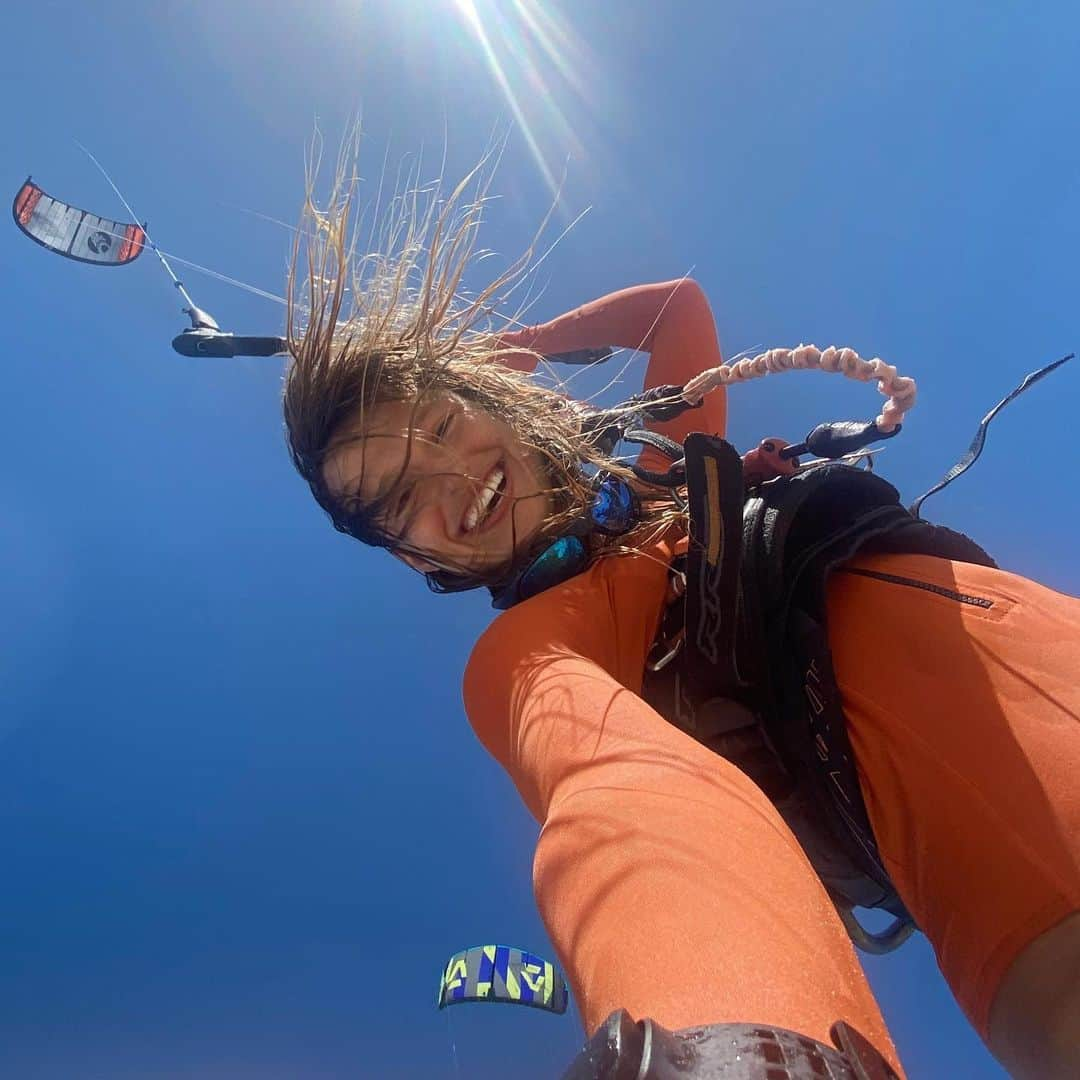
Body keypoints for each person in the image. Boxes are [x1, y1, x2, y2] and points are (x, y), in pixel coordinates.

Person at [281, 167, 1079, 1078]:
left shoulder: (670, 467)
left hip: (1000, 659)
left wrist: (535, 342)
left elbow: (673, 309)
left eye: (442, 424)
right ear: (414, 560)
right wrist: (729, 1047)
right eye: (401, 498)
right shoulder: (530, 651)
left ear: (490, 401)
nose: (452, 480)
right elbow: (615, 788)